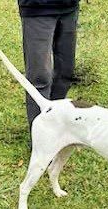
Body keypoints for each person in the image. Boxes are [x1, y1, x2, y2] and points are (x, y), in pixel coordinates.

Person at [18, 0, 80, 131]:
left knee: (65, 73)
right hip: (37, 9)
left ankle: (54, 125)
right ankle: (39, 137)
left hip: (69, 8)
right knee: (39, 78)